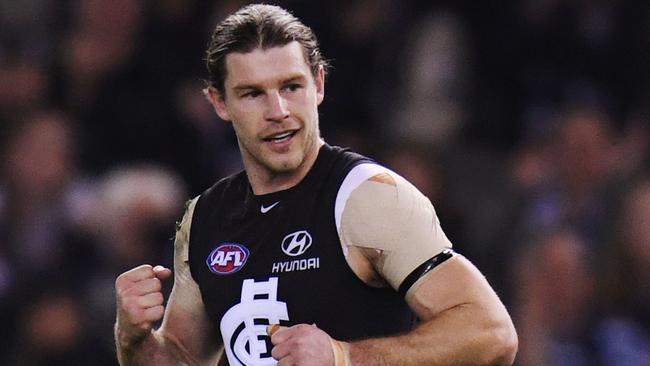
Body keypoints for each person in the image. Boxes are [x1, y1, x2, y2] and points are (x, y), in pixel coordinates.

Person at [114, 4, 518, 365]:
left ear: (319, 84)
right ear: (219, 103)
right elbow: (183, 360)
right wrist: (133, 340)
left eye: (291, 87)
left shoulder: (367, 197)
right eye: (253, 94)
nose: (279, 111)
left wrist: (344, 357)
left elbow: (491, 333)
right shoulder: (205, 218)